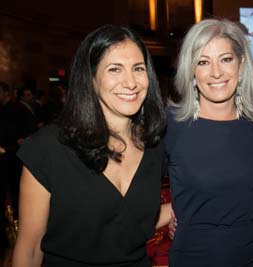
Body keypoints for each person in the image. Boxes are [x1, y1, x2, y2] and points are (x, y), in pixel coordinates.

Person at [12, 24, 167, 267]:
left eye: (138, 68)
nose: (131, 82)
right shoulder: (48, 148)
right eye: (115, 69)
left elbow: (130, 218)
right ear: (91, 78)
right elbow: (29, 251)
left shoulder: (155, 144)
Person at [164, 19, 253, 266]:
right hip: (193, 257)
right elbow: (137, 190)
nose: (216, 72)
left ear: (241, 64)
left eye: (225, 59)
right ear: (191, 70)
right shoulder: (171, 125)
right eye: (203, 62)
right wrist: (170, 211)